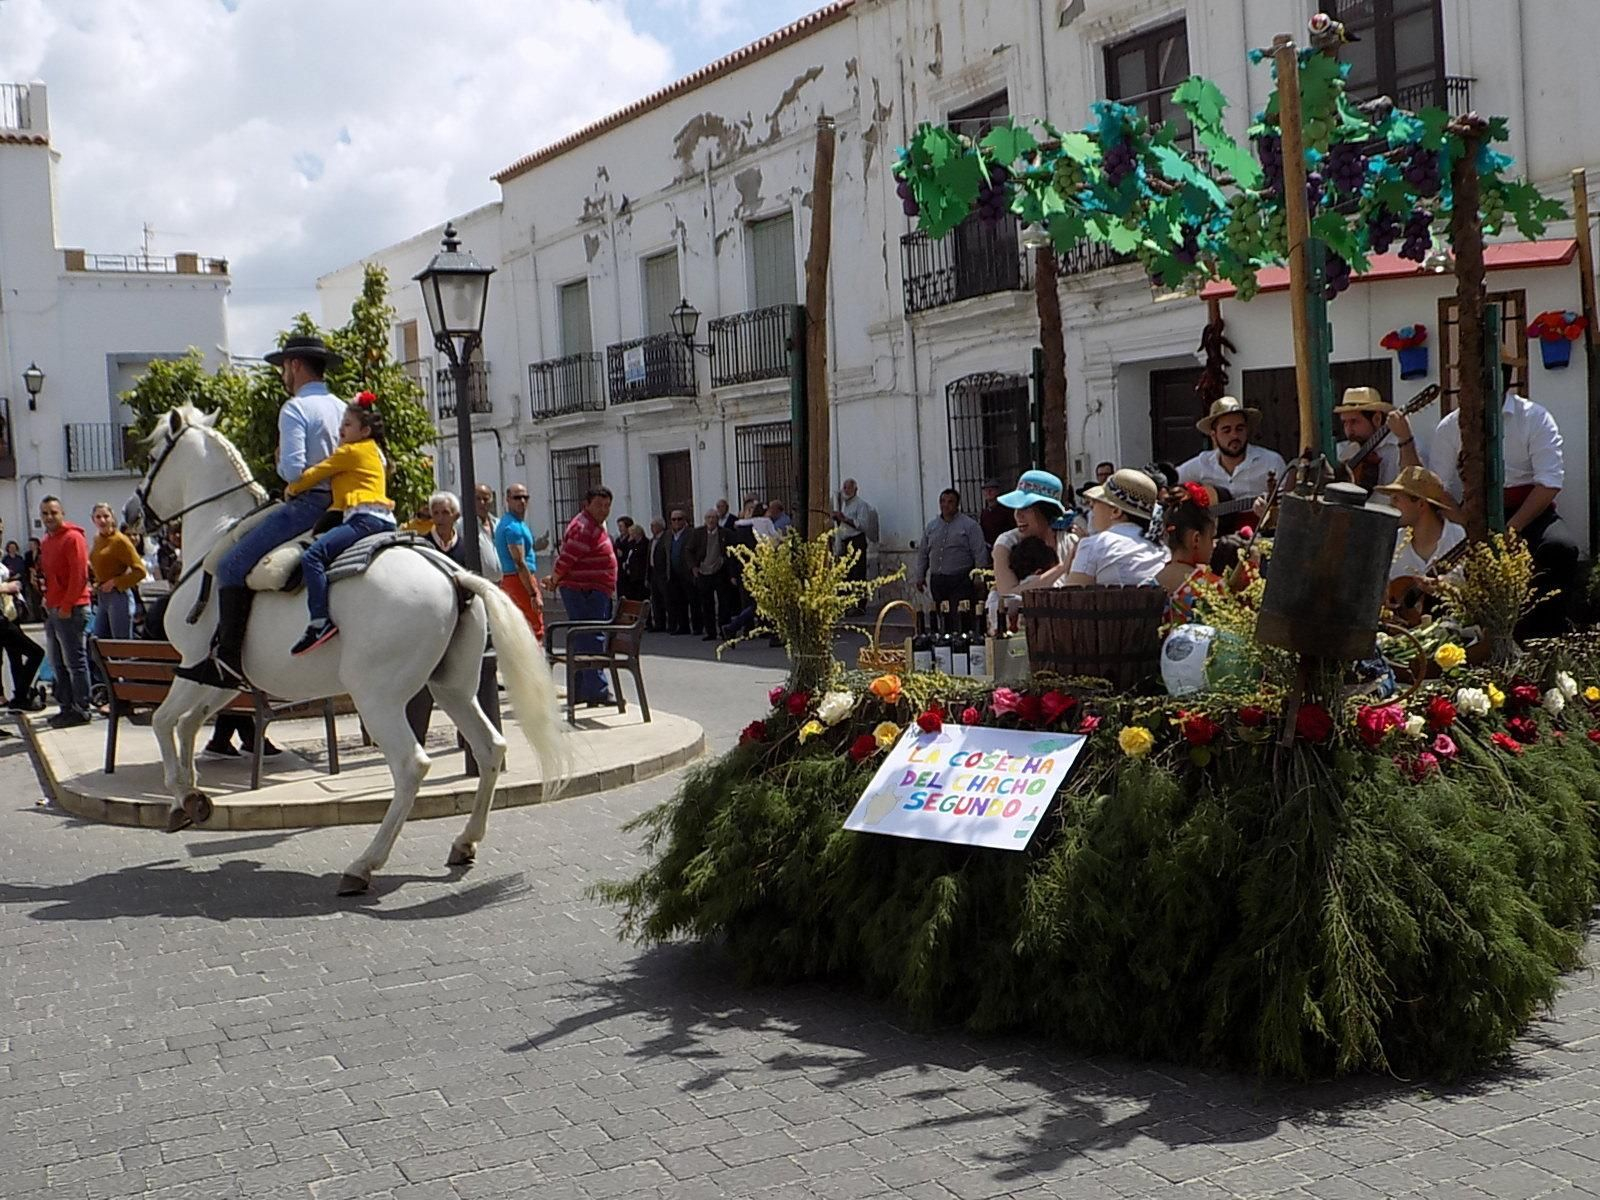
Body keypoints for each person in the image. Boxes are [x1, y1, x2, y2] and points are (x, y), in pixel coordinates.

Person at [181, 334, 345, 688]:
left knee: (230, 565)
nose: (283, 374)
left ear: (296, 365)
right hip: (348, 506)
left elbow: (293, 471)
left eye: (284, 367)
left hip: (309, 505)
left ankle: (227, 662)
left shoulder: (296, 409)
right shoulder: (344, 407)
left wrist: (280, 462)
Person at [1393, 378, 1577, 635]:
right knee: (1449, 572)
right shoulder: (1449, 426)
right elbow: (1436, 487)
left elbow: (1549, 482)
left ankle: (1544, 641)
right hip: (1474, 514)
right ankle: (1468, 640)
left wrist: (1512, 528)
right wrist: (1463, 523)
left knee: (1560, 548)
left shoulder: (1533, 417)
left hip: (1529, 512)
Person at [285, 392, 397, 655]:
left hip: (364, 519)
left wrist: (292, 487)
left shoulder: (349, 452)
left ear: (365, 430)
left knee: (312, 556)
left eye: (347, 424)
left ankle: (320, 622)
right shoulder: (376, 452)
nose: (340, 429)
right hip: (385, 520)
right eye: (342, 423)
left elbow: (316, 473)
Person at [547, 486, 617, 706]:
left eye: (607, 506)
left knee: (581, 638)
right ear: (586, 505)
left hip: (590, 590)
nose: (604, 510)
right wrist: (554, 579)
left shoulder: (590, 524)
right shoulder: (585, 527)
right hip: (585, 591)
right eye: (598, 505)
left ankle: (580, 690)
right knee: (591, 637)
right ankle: (597, 690)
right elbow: (567, 558)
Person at [990, 471, 1077, 633]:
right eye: (1016, 508)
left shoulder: (1071, 542)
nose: (1018, 515)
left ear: (1047, 510)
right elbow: (1008, 595)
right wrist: (1061, 568)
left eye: (1027, 508)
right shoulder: (1006, 543)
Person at [38, 495, 94, 727]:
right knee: (57, 661)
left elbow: (80, 575)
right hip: (53, 607)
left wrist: (67, 605)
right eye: (45, 513)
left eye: (53, 512)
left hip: (72, 608)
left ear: (62, 513)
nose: (49, 517)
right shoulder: (46, 541)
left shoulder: (73, 538)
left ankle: (82, 708)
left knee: (75, 662)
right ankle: (65, 706)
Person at [1177, 396, 1287, 513]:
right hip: (1214, 530)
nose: (1234, 436)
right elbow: (1171, 480)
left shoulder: (1272, 462)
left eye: (1239, 429)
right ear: (1214, 435)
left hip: (1256, 529)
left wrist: (1271, 513)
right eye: (1226, 430)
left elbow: (1288, 508)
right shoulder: (1202, 463)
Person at [1065, 468, 1169, 587]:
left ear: (1116, 511)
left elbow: (1070, 599)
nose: (1091, 506)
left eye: (1096, 502)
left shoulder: (1094, 545)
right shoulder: (1162, 549)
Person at [1376, 466, 1467, 584]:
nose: (1391, 504)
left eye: (1396, 499)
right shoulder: (1394, 542)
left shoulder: (1458, 538)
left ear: (1421, 505)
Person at [1155, 483, 1224, 624]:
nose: (1214, 544)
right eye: (1211, 537)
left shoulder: (1149, 586)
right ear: (1196, 539)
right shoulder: (1211, 589)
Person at [912, 488, 988, 610]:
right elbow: (923, 553)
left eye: (950, 502)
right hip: (938, 580)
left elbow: (979, 552)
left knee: (960, 615)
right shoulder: (931, 527)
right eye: (943, 501)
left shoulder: (970, 526)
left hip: (960, 580)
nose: (945, 505)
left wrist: (979, 577)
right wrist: (920, 576)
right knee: (942, 615)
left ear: (957, 504)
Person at [88, 501, 147, 640]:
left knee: (121, 643)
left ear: (112, 518)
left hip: (119, 595)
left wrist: (115, 582)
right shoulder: (97, 539)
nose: (102, 520)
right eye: (98, 517)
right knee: (100, 641)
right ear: (93, 520)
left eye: (106, 516)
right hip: (102, 596)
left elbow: (140, 571)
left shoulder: (120, 541)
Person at [494, 483, 544, 640]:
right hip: (518, 581)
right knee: (535, 629)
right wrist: (533, 593)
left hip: (513, 580)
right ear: (507, 500)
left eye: (525, 497)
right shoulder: (513, 527)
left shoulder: (515, 524)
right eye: (517, 497)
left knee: (519, 629)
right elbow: (520, 562)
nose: (522, 501)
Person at [0, 540, 44, 715]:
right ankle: (19, 697)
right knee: (36, 652)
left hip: (10, 614)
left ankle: (21, 697)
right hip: (2, 620)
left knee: (15, 657)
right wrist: (6, 587)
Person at [1334, 387, 1400, 489]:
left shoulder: (1398, 449)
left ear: (1377, 419)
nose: (1348, 429)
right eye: (1345, 423)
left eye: (1354, 421)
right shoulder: (1341, 450)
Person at [687, 508, 732, 639]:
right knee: (706, 603)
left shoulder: (725, 533)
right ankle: (710, 631)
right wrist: (693, 567)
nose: (711, 520)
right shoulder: (698, 533)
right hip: (703, 571)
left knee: (724, 603)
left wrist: (725, 561)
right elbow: (689, 550)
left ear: (718, 520)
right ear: (705, 520)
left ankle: (724, 630)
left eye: (713, 518)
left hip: (720, 571)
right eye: (708, 518)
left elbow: (731, 549)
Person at [831, 479, 878, 583]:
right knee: (846, 575)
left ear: (855, 489)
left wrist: (845, 519)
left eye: (848, 488)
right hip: (846, 542)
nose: (845, 490)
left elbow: (863, 525)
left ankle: (859, 598)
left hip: (857, 541)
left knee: (857, 574)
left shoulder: (861, 505)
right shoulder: (844, 505)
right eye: (844, 488)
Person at [421, 490, 472, 568]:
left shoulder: (465, 548)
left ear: (456, 516)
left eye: (445, 513)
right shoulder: (423, 546)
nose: (440, 518)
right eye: (436, 513)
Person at [665, 508, 694, 634]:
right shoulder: (669, 535)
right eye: (673, 519)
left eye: (679, 519)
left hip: (687, 573)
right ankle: (683, 626)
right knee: (679, 602)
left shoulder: (691, 533)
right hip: (674, 573)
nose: (676, 522)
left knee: (693, 601)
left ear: (685, 520)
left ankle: (697, 626)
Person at [616, 518, 650, 602]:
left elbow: (635, 551)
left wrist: (628, 547)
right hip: (623, 571)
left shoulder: (642, 544)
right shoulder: (619, 540)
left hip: (637, 575)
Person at [645, 517, 669, 632]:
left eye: (653, 526)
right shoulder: (651, 541)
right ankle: (659, 623)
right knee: (656, 600)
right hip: (653, 572)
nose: (651, 528)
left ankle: (670, 623)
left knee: (666, 599)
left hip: (662, 572)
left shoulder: (665, 539)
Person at [977, 479, 1011, 547]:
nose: (988, 492)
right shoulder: (984, 512)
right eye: (986, 490)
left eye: (991, 490)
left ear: (997, 491)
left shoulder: (1006, 511)